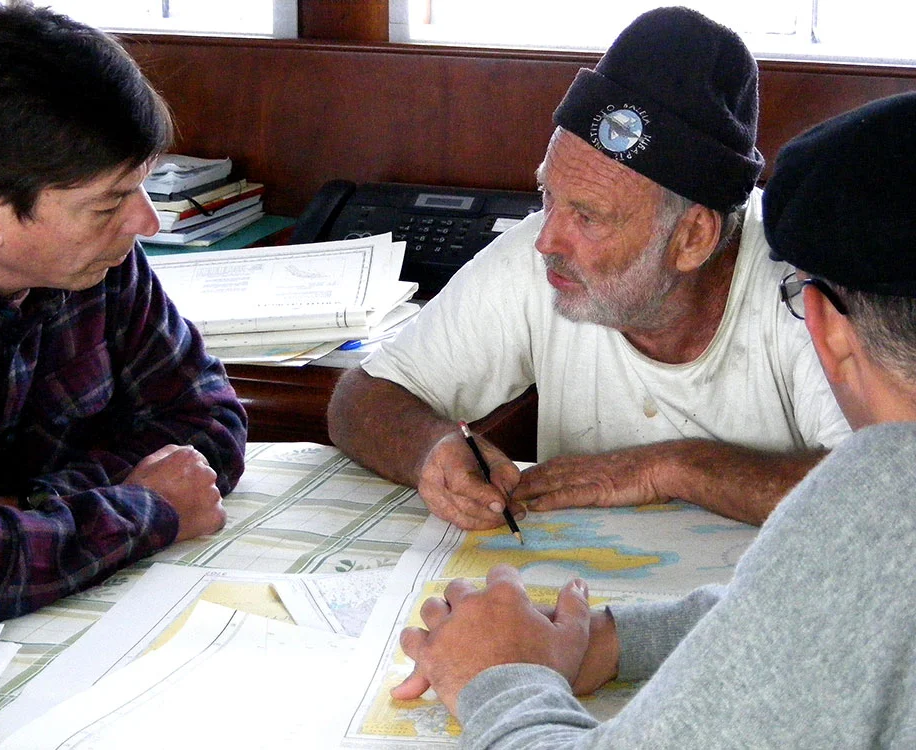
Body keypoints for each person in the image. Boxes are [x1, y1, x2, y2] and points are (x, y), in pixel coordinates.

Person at [390, 91, 916, 747]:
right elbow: (823, 608)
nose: (552, 239)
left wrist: (499, 676)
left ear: (826, 328)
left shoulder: (882, 497)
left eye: (589, 215)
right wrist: (611, 639)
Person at [327, 7, 850, 529]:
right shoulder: (541, 257)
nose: (547, 239)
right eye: (547, 196)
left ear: (692, 238)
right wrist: (429, 448)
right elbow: (360, 399)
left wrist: (671, 469)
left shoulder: (810, 288)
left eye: (588, 217)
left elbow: (886, 492)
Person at [0, 2, 249, 628]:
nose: (145, 222)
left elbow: (206, 420)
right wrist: (146, 508)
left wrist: (30, 508)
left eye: (141, 185)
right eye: (108, 204)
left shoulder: (97, 259)